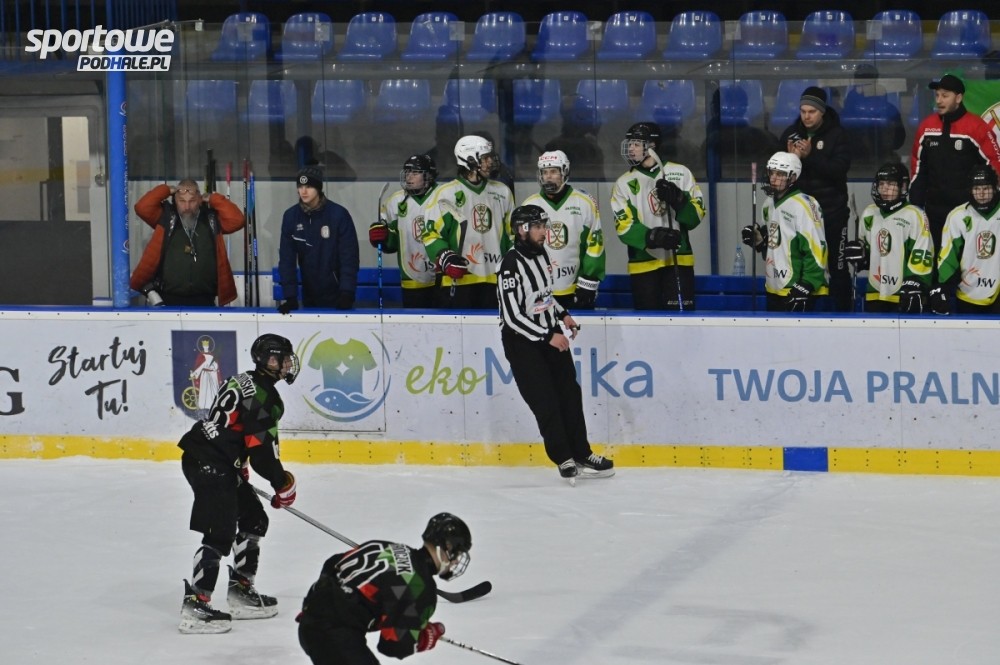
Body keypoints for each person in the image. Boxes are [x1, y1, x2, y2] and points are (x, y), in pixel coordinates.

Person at [178, 333, 301, 634]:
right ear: (268, 361)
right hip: (210, 463)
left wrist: (239, 463)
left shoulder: (243, 379)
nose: (288, 363)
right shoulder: (265, 398)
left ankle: (240, 591)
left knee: (253, 518)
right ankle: (195, 605)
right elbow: (262, 454)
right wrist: (282, 483)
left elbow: (231, 425)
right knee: (219, 533)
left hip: (212, 456)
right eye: (282, 358)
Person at [497, 204, 614, 484]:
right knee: (545, 401)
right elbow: (512, 317)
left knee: (570, 395)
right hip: (523, 343)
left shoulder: (542, 254)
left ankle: (582, 453)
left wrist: (563, 315)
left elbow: (545, 296)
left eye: (544, 226)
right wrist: (547, 336)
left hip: (548, 334)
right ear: (522, 229)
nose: (544, 232)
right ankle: (563, 457)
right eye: (538, 227)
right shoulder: (510, 265)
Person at [297, 513, 471, 664]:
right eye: (457, 553)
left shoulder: (387, 547)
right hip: (332, 635)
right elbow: (393, 645)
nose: (456, 561)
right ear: (447, 547)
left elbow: (332, 563)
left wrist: (317, 606)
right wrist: (423, 638)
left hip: (312, 622)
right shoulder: (422, 589)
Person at [609, 121, 706, 311]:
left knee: (681, 322)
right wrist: (653, 237)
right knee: (647, 324)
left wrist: (679, 200)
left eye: (636, 144)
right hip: (642, 264)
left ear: (652, 145)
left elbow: (696, 216)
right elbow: (624, 226)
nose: (630, 149)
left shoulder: (681, 173)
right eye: (630, 144)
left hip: (679, 259)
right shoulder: (623, 183)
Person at [779, 86, 853, 312]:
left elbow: (838, 171)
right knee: (803, 265)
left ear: (822, 111)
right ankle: (804, 312)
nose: (806, 116)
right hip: (801, 216)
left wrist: (810, 156)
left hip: (832, 213)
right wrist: (791, 159)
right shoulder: (790, 134)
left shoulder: (838, 135)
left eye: (812, 112)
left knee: (837, 267)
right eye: (803, 111)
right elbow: (778, 173)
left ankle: (844, 314)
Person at [910, 74, 1000, 255]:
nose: (939, 100)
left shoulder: (977, 127)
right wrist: (916, 204)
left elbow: (994, 164)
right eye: (937, 95)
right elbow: (918, 168)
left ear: (958, 98)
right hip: (933, 212)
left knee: (967, 262)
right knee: (935, 262)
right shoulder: (926, 127)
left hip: (967, 212)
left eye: (945, 95)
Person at [423, 134, 513, 309]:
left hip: (496, 279)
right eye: (485, 158)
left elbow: (513, 234)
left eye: (490, 157)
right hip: (459, 280)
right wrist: (445, 256)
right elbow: (430, 234)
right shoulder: (446, 194)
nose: (490, 162)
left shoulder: (503, 192)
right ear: (469, 160)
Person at [130, 178, 245, 307]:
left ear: (200, 200)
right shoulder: (166, 217)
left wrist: (214, 198)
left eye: (192, 201)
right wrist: (166, 190)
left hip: (205, 298)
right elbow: (142, 207)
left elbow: (237, 220)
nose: (187, 207)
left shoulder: (210, 219)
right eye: (182, 201)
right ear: (175, 200)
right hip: (167, 297)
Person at [741, 152, 829, 313]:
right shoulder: (768, 204)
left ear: (793, 177)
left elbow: (817, 247)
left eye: (780, 174)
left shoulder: (804, 204)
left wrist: (806, 284)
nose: (773, 178)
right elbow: (776, 244)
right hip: (775, 287)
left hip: (801, 290)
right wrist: (759, 241)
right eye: (771, 172)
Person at [520, 150, 606, 309]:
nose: (548, 177)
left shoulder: (584, 202)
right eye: (544, 172)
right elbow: (521, 248)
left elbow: (595, 243)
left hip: (576, 288)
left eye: (553, 171)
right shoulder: (529, 205)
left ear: (564, 172)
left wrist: (590, 279)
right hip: (541, 290)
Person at [845, 163, 934, 313]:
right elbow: (870, 252)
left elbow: (922, 254)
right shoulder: (869, 213)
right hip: (875, 292)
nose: (885, 189)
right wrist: (860, 256)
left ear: (903, 187)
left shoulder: (914, 215)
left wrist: (916, 282)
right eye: (881, 184)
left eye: (891, 184)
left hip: (905, 294)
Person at [277, 166, 360, 313]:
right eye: (300, 186)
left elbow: (349, 256)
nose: (303, 191)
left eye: (309, 186)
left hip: (338, 296)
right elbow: (286, 259)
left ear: (318, 188)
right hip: (309, 296)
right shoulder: (290, 217)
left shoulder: (339, 215)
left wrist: (347, 292)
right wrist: (290, 297)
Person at [369, 155, 441, 308]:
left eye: (415, 173)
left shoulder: (443, 196)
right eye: (407, 172)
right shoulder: (395, 201)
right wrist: (382, 237)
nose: (409, 177)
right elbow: (392, 242)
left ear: (429, 176)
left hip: (443, 277)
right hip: (412, 278)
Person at [930, 165, 1000, 315]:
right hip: (968, 293)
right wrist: (942, 285)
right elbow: (948, 257)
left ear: (995, 189)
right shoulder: (958, 216)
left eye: (986, 188)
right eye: (977, 189)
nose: (981, 194)